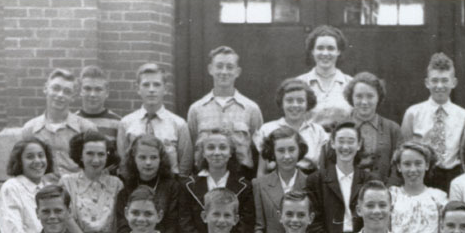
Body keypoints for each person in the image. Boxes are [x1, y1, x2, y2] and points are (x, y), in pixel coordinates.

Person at [186, 46, 264, 177]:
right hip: (205, 176)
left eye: (229, 67)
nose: (224, 71)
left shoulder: (251, 109)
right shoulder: (196, 109)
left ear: (238, 71)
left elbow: (258, 148)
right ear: (210, 69)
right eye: (219, 66)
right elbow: (192, 145)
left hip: (242, 177)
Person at [400, 52, 465, 194]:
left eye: (445, 80)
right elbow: (404, 149)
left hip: (452, 174)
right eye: (435, 80)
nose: (439, 85)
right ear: (427, 82)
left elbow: (463, 153)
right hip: (422, 175)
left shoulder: (463, 116)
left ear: (454, 82)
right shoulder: (413, 113)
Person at [177, 128, 256, 233]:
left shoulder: (244, 186)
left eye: (223, 147)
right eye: (211, 148)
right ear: (203, 152)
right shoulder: (188, 185)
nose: (217, 152)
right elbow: (184, 222)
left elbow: (247, 225)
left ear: (231, 152)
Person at [116, 63, 193, 176]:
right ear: (138, 88)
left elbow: (185, 166)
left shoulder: (179, 124)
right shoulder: (126, 123)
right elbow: (124, 163)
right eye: (146, 85)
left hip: (170, 188)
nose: (151, 90)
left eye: (157, 85)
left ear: (165, 89)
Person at [305, 120, 372, 233]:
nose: (345, 147)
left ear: (359, 145)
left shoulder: (370, 181)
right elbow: (313, 222)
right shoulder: (316, 180)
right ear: (332, 143)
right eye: (341, 141)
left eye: (351, 141)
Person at [21, 68, 97, 176]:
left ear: (73, 97)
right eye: (56, 88)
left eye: (67, 91)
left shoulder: (86, 129)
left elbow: (95, 169)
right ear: (45, 88)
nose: (60, 95)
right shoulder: (30, 130)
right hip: (42, 190)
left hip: (77, 190)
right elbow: (22, 169)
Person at [60, 130, 123, 233]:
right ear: (80, 155)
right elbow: (66, 218)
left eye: (101, 154)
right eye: (90, 154)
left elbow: (120, 222)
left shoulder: (116, 184)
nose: (96, 160)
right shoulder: (67, 182)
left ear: (107, 156)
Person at [113, 133, 181, 233]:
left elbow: (173, 225)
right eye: (142, 157)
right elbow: (123, 227)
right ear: (133, 159)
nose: (148, 162)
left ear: (161, 159)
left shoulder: (172, 187)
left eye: (153, 157)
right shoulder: (126, 188)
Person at [253, 126, 310, 233]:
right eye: (281, 150)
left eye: (291, 150)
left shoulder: (311, 182)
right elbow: (259, 227)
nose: (287, 156)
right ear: (272, 153)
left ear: (299, 150)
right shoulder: (260, 184)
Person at [253, 79, 328, 175]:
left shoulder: (317, 131)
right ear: (282, 103)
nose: (295, 105)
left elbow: (322, 170)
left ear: (308, 103)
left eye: (300, 101)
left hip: (308, 184)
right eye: (289, 100)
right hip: (275, 184)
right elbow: (262, 172)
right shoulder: (267, 129)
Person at [388, 141, 447, 233]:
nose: (413, 169)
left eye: (418, 163)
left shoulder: (438, 197)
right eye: (407, 164)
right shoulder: (392, 195)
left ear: (427, 165)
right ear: (399, 167)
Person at [344, 71, 403, 184]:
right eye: (359, 96)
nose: (364, 102)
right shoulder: (340, 127)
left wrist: (388, 192)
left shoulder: (392, 129)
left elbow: (399, 166)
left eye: (370, 96)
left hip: (383, 195)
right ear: (351, 98)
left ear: (378, 97)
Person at [0, 138, 57, 233]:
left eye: (41, 155)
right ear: (19, 161)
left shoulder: (50, 187)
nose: (38, 161)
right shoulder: (11, 188)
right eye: (30, 157)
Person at [295, 25, 352, 128]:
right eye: (320, 48)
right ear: (312, 51)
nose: (325, 53)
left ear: (338, 51)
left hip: (343, 142)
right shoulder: (299, 83)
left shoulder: (350, 84)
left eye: (331, 48)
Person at [75, 65, 122, 148]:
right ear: (80, 91)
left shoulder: (118, 124)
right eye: (87, 89)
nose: (92, 94)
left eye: (98, 89)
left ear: (106, 92)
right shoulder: (72, 122)